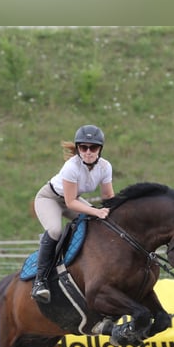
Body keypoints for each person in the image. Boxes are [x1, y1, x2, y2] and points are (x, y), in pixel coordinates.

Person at [30, 124, 115, 303]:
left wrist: (114, 213)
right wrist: (96, 211)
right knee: (55, 231)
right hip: (50, 198)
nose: (88, 152)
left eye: (93, 147)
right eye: (83, 147)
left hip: (72, 199)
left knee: (98, 224)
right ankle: (40, 281)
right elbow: (70, 203)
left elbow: (108, 196)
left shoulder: (105, 167)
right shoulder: (71, 166)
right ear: (78, 149)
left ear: (100, 149)